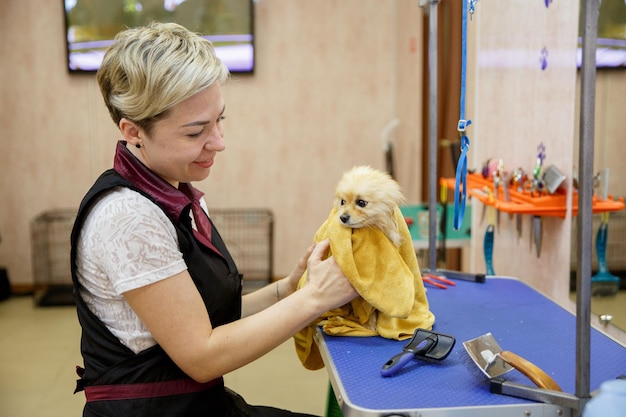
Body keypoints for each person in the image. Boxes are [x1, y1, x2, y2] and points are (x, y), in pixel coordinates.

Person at [70, 21, 358, 417]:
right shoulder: (127, 219)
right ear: (133, 131)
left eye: (220, 119)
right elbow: (202, 355)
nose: (219, 142)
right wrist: (315, 298)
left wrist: (289, 289)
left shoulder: (175, 191)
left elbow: (202, 317)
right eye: (195, 132)